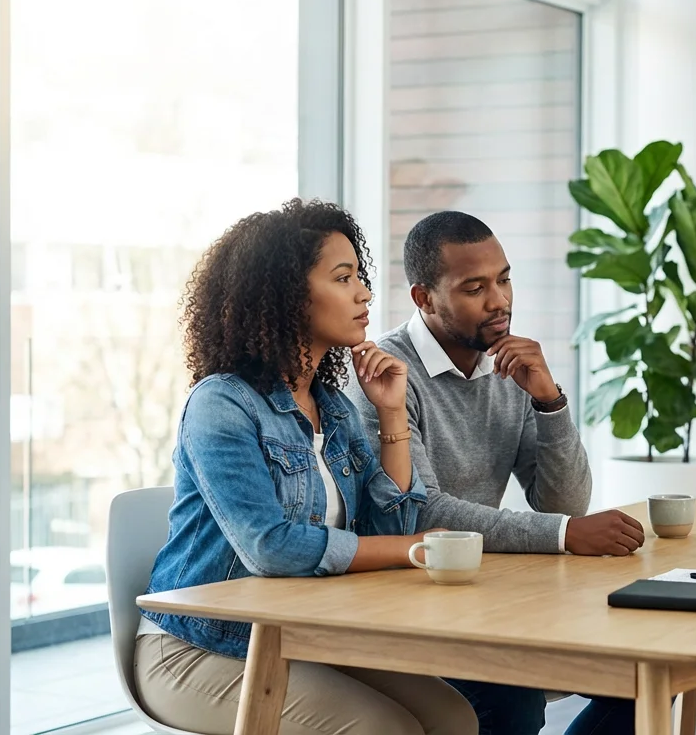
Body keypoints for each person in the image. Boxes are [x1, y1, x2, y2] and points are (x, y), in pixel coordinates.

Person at [136, 199, 477, 735]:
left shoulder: (334, 406)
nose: (364, 293)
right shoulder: (220, 403)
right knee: (383, 730)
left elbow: (389, 530)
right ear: (287, 297)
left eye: (359, 276)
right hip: (196, 648)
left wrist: (392, 413)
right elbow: (270, 547)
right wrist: (415, 549)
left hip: (298, 635)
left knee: (454, 718)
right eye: (343, 278)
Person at [348, 210, 645, 734]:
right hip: (404, 596)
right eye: (475, 288)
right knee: (510, 701)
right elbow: (422, 512)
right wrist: (565, 534)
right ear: (424, 298)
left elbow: (563, 503)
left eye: (504, 280)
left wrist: (550, 402)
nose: (499, 301)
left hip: (487, 589)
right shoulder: (385, 376)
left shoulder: (509, 366)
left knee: (642, 672)